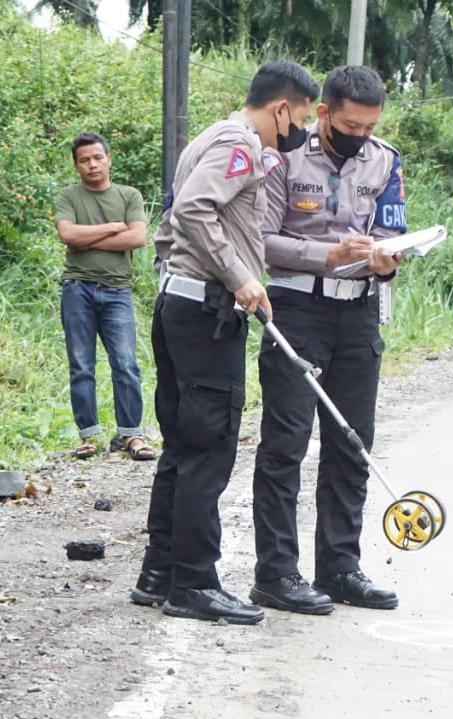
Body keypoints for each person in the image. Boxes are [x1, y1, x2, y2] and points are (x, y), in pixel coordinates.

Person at [130, 61, 319, 625]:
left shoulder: (211, 137)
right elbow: (192, 210)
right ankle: (194, 582)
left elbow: (174, 222)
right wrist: (239, 276)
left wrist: (198, 276)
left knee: (184, 442)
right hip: (205, 312)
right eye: (301, 117)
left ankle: (159, 573)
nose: (300, 130)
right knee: (210, 445)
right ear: (282, 108)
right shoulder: (238, 143)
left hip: (182, 303)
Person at [250, 65, 405, 615]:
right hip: (295, 308)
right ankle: (276, 572)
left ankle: (340, 568)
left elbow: (391, 230)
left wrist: (387, 260)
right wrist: (326, 255)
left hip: (358, 313)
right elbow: (263, 239)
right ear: (323, 114)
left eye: (369, 127)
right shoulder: (283, 155)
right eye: (350, 125)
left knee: (352, 442)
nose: (360, 136)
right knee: (285, 443)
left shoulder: (385, 160)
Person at [54, 132, 155, 461]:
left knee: (126, 364)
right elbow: (67, 234)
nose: (92, 164)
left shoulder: (129, 195)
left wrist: (85, 239)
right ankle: (89, 436)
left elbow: (138, 237)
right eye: (84, 160)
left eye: (97, 157)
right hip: (77, 289)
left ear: (109, 159)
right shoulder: (69, 196)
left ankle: (130, 435)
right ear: (77, 165)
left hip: (117, 291)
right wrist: (114, 227)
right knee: (81, 365)